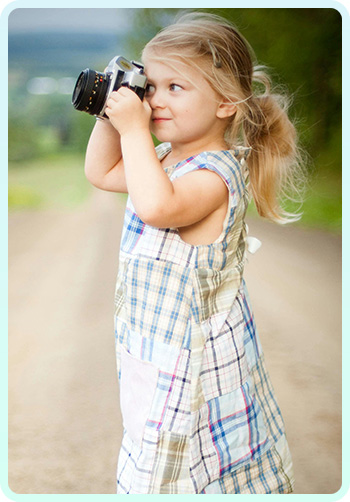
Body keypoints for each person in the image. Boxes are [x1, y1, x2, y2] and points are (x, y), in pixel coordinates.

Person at [84, 11, 304, 494]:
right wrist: (112, 113)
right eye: (150, 85)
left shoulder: (216, 175)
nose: (154, 100)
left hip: (197, 372)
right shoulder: (162, 159)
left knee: (197, 476)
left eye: (174, 88)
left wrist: (135, 131)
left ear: (226, 102)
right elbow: (101, 174)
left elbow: (159, 206)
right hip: (156, 354)